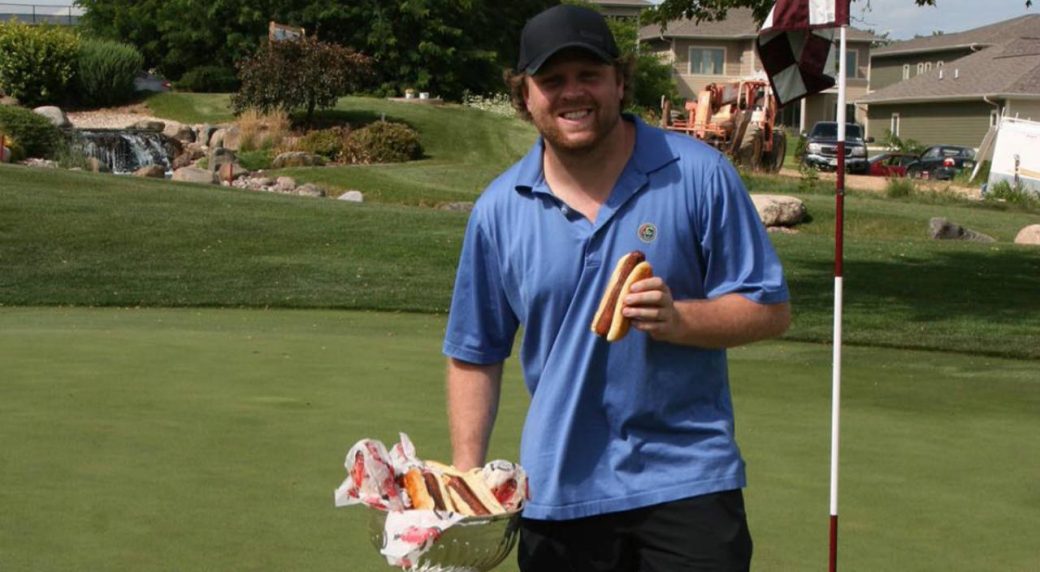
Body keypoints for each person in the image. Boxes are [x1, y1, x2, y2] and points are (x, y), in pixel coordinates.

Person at [442, 5, 791, 571]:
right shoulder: (499, 209)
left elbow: (768, 308)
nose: (572, 93)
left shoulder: (698, 173)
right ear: (525, 96)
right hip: (559, 489)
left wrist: (681, 320)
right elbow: (474, 352)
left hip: (689, 481)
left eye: (590, 75)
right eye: (552, 80)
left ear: (620, 82)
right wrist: (466, 477)